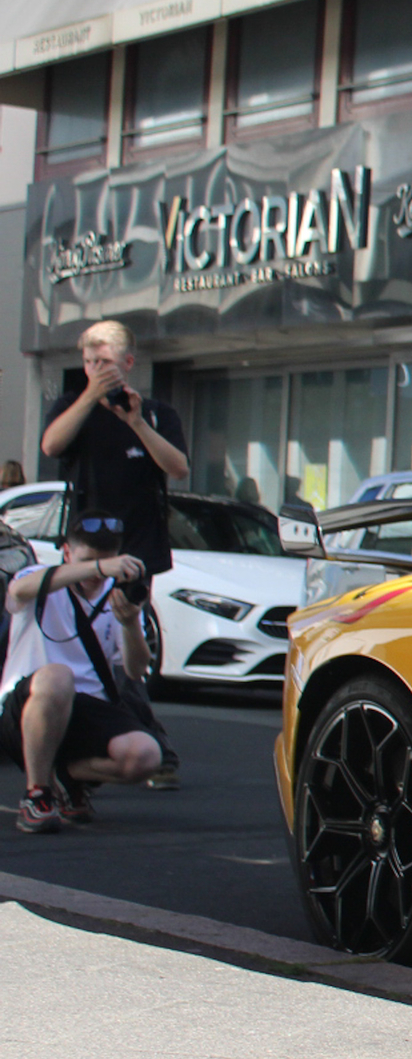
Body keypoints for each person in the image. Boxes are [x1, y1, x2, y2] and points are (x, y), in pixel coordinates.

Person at [40, 319, 185, 789]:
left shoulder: (157, 413)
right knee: (84, 638)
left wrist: (136, 421)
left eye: (103, 362)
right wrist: (88, 397)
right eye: (88, 362)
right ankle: (120, 733)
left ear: (127, 363)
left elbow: (178, 468)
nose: (95, 369)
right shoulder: (72, 406)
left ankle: (147, 737)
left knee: (127, 639)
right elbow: (52, 445)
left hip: (138, 543)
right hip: (86, 543)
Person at [0, 519, 163, 833]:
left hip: (86, 705)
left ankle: (66, 774)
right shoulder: (40, 579)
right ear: (66, 553)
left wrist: (130, 625)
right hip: (27, 704)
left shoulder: (116, 597)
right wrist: (98, 568)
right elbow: (18, 590)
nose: (97, 573)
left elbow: (134, 669)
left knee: (145, 756)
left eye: (106, 560)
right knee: (59, 677)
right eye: (88, 561)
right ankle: (37, 794)